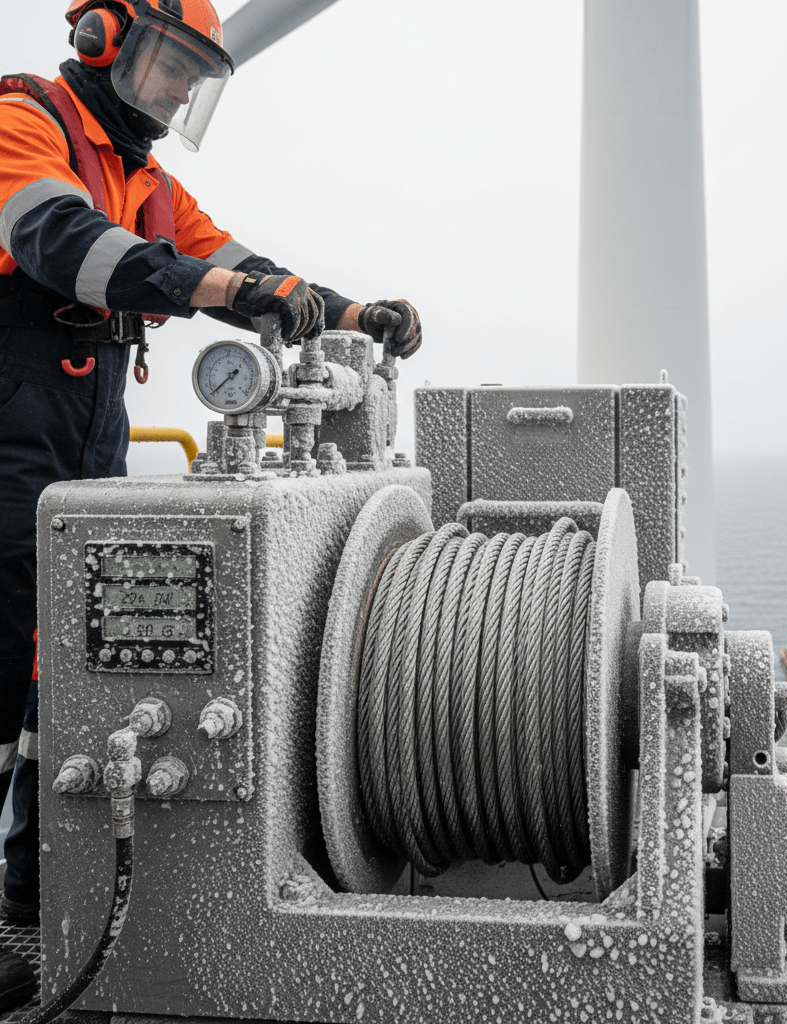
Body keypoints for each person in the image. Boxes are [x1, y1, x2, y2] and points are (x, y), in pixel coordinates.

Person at [0, 0, 422, 1008]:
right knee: (9, 653)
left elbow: (243, 267)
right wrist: (220, 293)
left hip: (82, 432)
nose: (177, 92)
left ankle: (23, 905)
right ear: (103, 40)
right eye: (167, 68)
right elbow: (62, 243)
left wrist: (357, 312)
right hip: (12, 421)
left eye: (194, 79)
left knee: (55, 681)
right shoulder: (26, 123)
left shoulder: (154, 187)